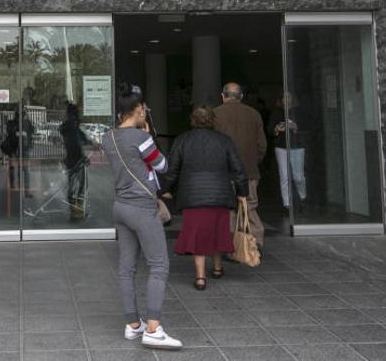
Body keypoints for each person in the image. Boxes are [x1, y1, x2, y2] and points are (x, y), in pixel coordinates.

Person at [101, 83, 182, 350]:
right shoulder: (141, 138)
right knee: (159, 265)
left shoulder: (108, 137)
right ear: (136, 109)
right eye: (144, 107)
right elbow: (163, 165)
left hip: (121, 206)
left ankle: (132, 325)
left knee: (126, 268)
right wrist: (148, 138)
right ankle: (153, 328)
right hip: (142, 208)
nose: (146, 110)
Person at [161, 105, 248, 290]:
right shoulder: (224, 140)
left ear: (193, 120)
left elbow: (172, 169)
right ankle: (217, 268)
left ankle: (200, 277)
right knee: (217, 231)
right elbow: (238, 169)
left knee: (197, 235)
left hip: (193, 196)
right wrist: (242, 193)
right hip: (220, 194)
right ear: (212, 119)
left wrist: (164, 189)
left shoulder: (182, 140)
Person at [214, 82, 267, 249]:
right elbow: (262, 145)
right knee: (250, 206)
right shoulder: (254, 114)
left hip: (225, 172)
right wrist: (253, 161)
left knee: (229, 209)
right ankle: (256, 243)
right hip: (249, 171)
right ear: (241, 96)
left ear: (223, 96)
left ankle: (231, 246)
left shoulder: (215, 114)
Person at [268, 92, 307, 214]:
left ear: (293, 99)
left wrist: (295, 128)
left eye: (289, 97)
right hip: (281, 146)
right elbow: (270, 129)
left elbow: (308, 128)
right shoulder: (276, 113)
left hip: (297, 146)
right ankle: (287, 205)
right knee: (284, 176)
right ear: (281, 100)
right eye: (284, 97)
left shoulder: (299, 112)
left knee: (298, 176)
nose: (286, 99)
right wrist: (277, 129)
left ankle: (302, 197)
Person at [59, 103, 91, 220]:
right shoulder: (72, 127)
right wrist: (83, 158)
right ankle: (76, 211)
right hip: (76, 161)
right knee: (79, 186)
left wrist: (89, 142)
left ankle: (76, 211)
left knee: (76, 186)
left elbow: (82, 140)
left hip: (72, 161)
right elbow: (75, 145)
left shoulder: (70, 127)